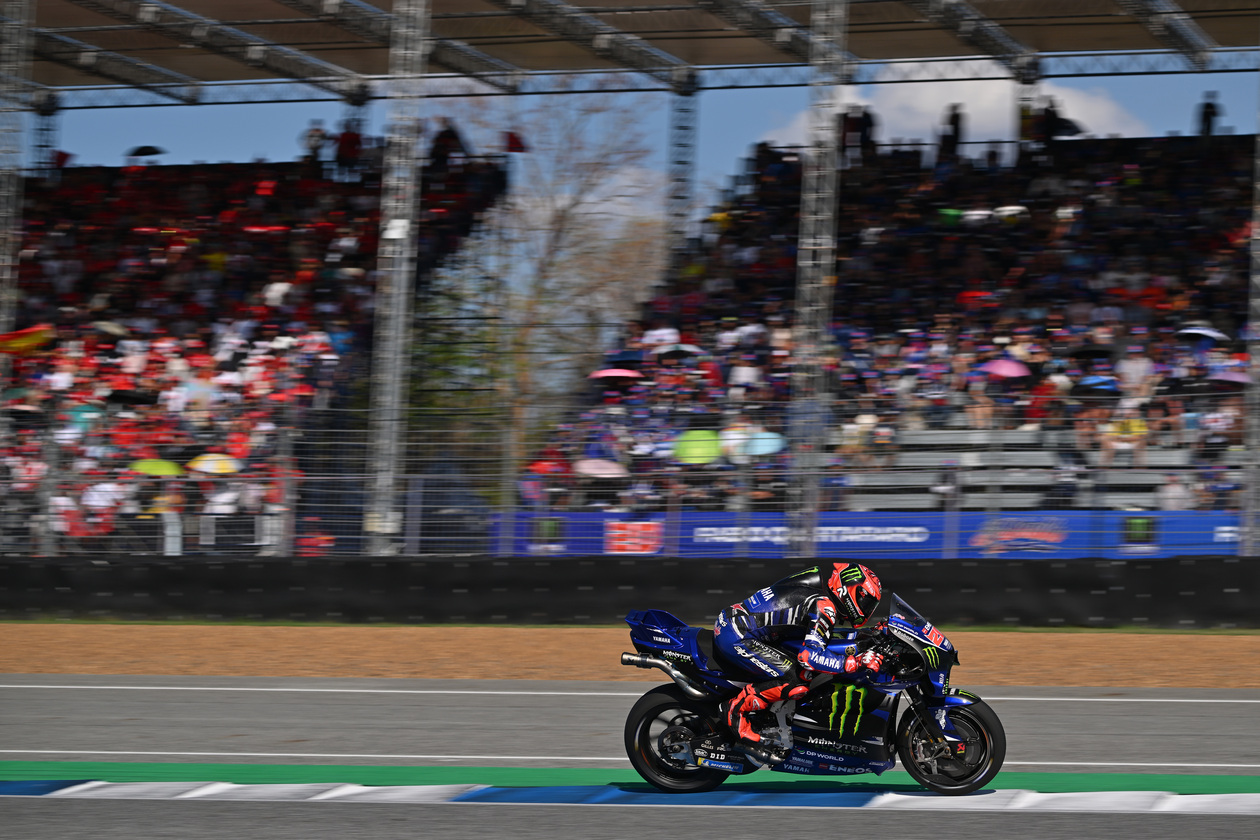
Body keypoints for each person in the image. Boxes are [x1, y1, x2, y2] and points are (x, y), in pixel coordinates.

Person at [713, 563, 884, 763]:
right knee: (797, 681)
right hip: (737, 636)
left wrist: (869, 635)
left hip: (737, 626)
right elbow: (809, 657)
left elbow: (823, 636)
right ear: (848, 590)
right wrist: (853, 663)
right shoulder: (824, 606)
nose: (866, 608)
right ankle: (734, 709)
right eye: (865, 600)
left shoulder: (820, 596)